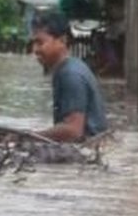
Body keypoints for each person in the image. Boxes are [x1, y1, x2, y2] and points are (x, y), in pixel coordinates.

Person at [28, 10, 109, 142]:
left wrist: (30, 137)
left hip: (86, 151)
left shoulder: (70, 74)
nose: (35, 50)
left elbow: (73, 131)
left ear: (62, 41)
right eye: (33, 43)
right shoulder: (67, 69)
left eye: (40, 43)